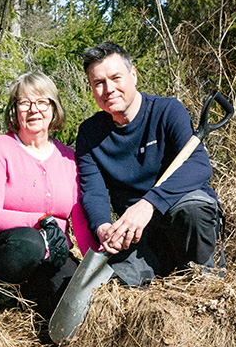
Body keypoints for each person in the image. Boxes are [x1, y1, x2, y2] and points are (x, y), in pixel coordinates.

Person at [76, 41, 222, 286]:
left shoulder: (167, 111)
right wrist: (102, 227)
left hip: (182, 220)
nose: (108, 89)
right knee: (112, 286)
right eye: (98, 83)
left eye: (116, 78)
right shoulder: (90, 134)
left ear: (133, 76)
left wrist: (149, 204)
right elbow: (93, 190)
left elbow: (199, 166)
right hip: (138, 236)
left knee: (194, 208)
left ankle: (206, 283)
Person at [0, 71, 94, 317]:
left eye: (41, 102)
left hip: (50, 255)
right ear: (14, 110)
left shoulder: (68, 158)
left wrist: (92, 262)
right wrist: (41, 221)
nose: (33, 109)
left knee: (73, 296)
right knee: (30, 242)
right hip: (2, 251)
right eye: (24, 102)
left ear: (53, 108)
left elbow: (78, 217)